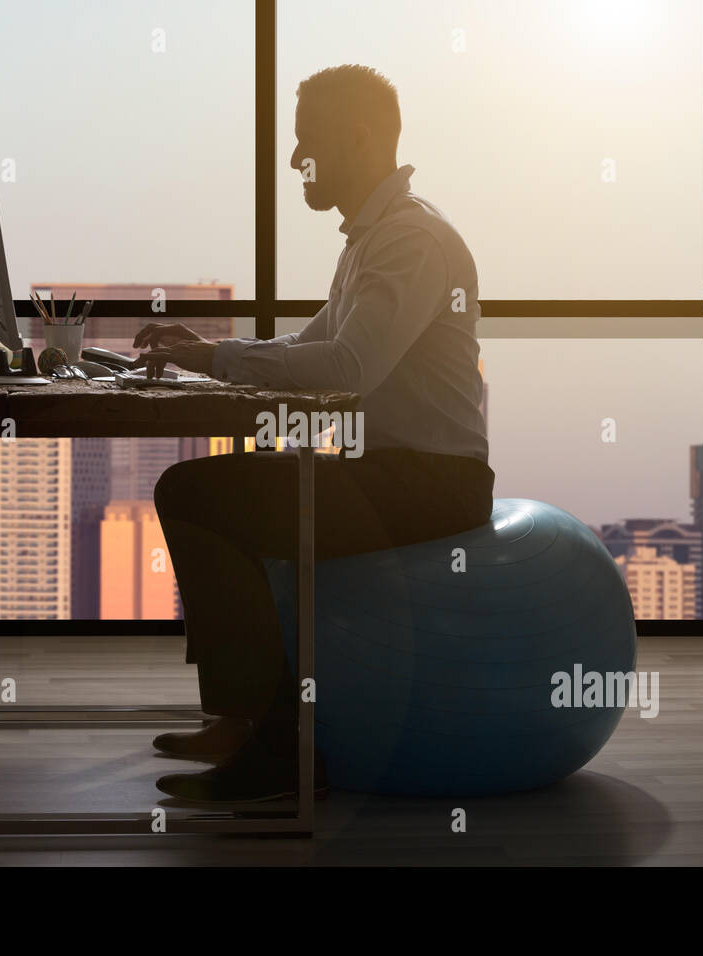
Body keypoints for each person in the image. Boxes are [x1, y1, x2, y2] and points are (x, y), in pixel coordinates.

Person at [133, 64, 494, 805]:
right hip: (394, 471)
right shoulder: (372, 240)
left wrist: (209, 358)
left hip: (430, 484)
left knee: (196, 492)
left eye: (307, 142)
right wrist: (208, 355)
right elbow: (314, 345)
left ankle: (275, 744)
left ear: (357, 139)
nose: (296, 159)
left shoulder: (411, 240)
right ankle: (243, 720)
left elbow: (348, 366)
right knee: (205, 490)